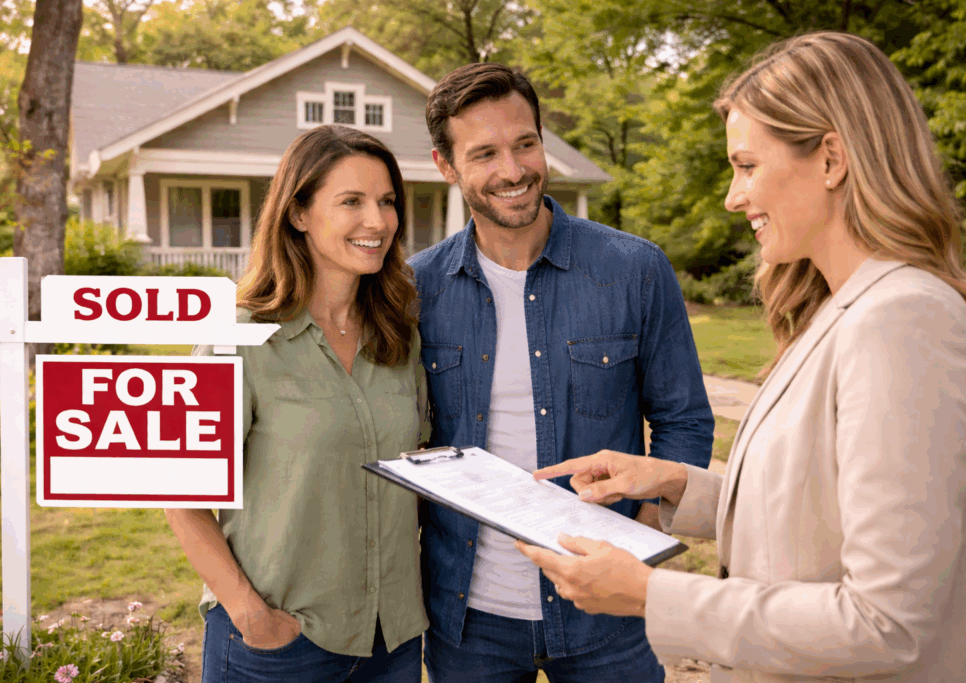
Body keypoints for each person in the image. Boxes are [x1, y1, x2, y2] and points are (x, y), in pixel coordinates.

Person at [516, 31, 966, 683]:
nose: (732, 197)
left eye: (747, 165)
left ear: (831, 158)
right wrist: (674, 484)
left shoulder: (905, 320)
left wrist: (650, 594)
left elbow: (889, 623)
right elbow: (816, 514)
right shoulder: (842, 309)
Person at [408, 63, 714, 683]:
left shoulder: (635, 269)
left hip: (610, 618)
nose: (513, 170)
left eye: (525, 144)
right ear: (446, 166)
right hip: (468, 619)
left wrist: (642, 541)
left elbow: (682, 419)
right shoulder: (416, 288)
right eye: (485, 153)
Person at [165, 125, 429, 683]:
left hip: (393, 642)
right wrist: (251, 616)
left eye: (386, 202)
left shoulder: (400, 335)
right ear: (298, 214)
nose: (378, 222)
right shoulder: (238, 336)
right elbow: (180, 496)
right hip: (279, 647)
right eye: (351, 202)